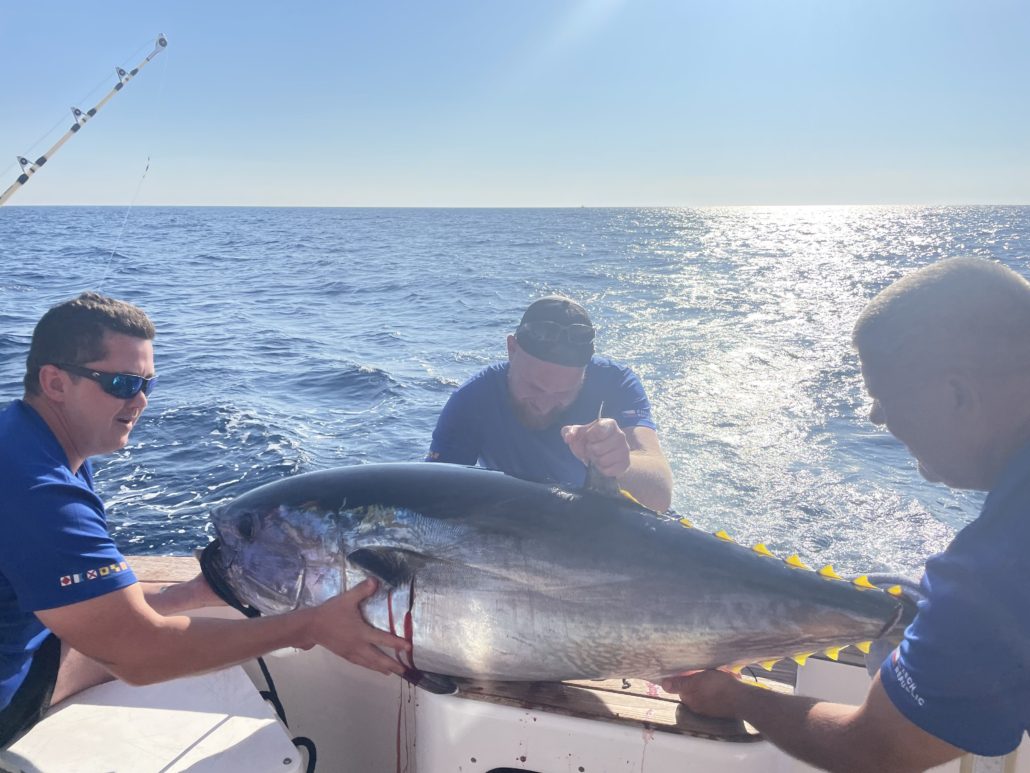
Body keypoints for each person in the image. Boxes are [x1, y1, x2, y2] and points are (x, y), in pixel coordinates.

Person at [663, 257, 1030, 771]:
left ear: (957, 394)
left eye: (883, 397)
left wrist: (735, 699)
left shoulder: (998, 565)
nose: (876, 418)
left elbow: (878, 748)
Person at [0, 292, 411, 749]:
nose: (139, 402)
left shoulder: (29, 440)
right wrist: (310, 626)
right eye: (120, 383)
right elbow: (139, 657)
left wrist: (194, 594)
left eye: (146, 385)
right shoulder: (39, 489)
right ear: (55, 383)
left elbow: (100, 608)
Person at [427, 296, 673, 512]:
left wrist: (615, 465)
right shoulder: (473, 399)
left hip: (611, 532)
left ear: (586, 372)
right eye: (534, 387)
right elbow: (434, 496)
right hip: (520, 526)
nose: (544, 405)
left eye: (564, 392)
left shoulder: (615, 384)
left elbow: (660, 496)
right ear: (511, 349)